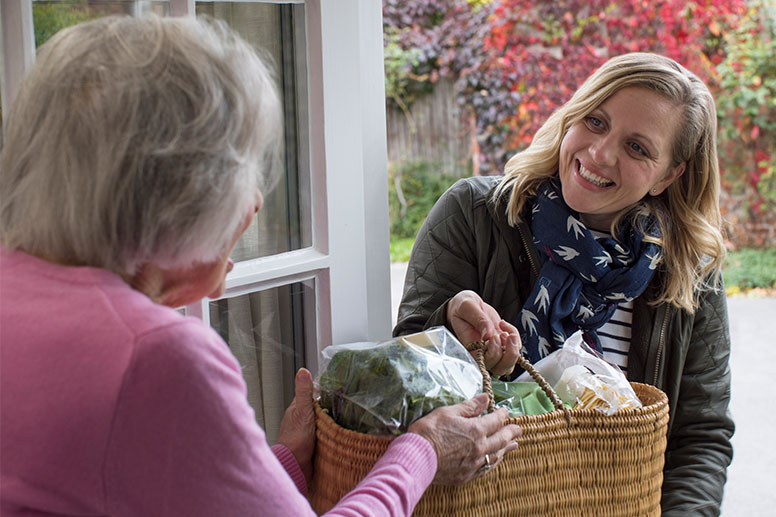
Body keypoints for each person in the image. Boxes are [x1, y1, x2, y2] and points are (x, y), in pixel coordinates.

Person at [0, 15, 522, 516]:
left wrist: (282, 463)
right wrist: (423, 452)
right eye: (245, 166)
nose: (254, 202)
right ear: (181, 194)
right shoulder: (158, 357)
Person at [394, 52, 734, 516]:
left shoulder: (690, 272)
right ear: (572, 116)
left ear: (669, 174)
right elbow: (402, 377)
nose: (599, 153)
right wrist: (449, 329)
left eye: (637, 148)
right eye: (595, 122)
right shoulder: (474, 215)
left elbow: (700, 436)